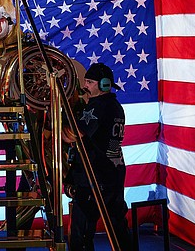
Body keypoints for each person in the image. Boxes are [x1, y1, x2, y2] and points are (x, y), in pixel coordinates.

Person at [64, 63, 131, 251]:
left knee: (81, 230)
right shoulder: (114, 105)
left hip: (95, 176)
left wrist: (59, 119)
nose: (85, 86)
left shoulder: (99, 107)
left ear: (103, 85)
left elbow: (73, 134)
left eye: (90, 82)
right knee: (117, 225)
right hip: (112, 172)